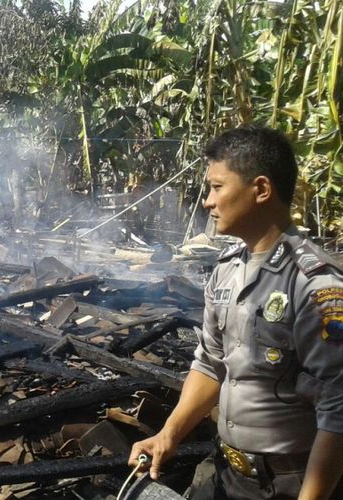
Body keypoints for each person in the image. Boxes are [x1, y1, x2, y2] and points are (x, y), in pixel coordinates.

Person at [128, 125, 343, 499]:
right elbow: (211, 364)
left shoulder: (314, 283)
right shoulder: (226, 268)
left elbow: (338, 407)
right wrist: (169, 433)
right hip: (228, 473)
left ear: (260, 189)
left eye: (217, 187)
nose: (208, 201)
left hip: (291, 483)